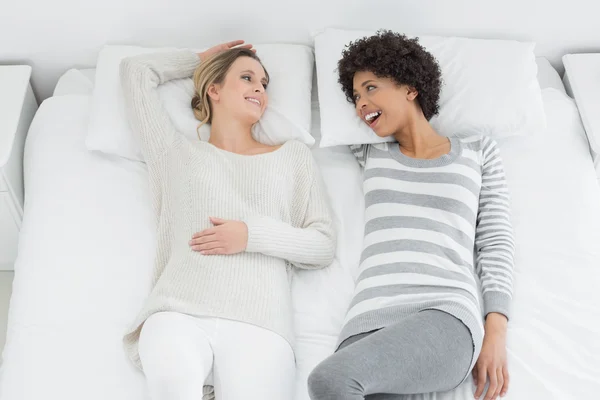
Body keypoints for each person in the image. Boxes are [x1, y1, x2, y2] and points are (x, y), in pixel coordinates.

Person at [119, 40, 336, 400]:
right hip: (179, 309)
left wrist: (250, 235)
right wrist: (200, 59)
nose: (259, 89)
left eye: (264, 84)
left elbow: (322, 245)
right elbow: (135, 72)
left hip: (262, 323)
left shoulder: (293, 157)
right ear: (213, 90)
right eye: (247, 77)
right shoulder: (174, 153)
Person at [307, 30, 514, 400]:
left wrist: (495, 331)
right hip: (366, 325)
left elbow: (495, 242)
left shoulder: (477, 152)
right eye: (354, 96)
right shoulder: (371, 153)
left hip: (444, 314)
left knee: (328, 381)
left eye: (370, 88)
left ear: (410, 87)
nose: (360, 105)